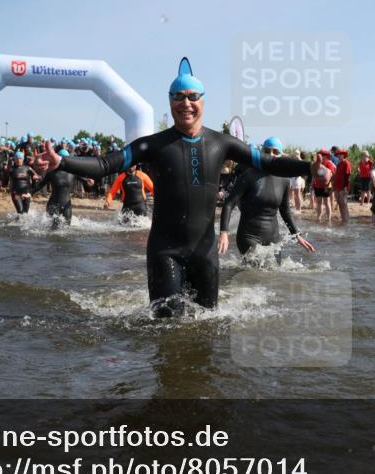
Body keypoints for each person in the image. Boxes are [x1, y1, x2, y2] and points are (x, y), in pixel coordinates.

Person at [32, 57, 318, 317]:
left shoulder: (222, 143)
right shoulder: (152, 145)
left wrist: (309, 168)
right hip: (164, 252)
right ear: (170, 102)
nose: (186, 103)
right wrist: (62, 162)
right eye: (178, 97)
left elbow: (268, 163)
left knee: (207, 326)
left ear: (203, 101)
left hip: (205, 252)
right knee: (167, 329)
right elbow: (107, 165)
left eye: (193, 97)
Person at [218, 137, 316, 262]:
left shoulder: (284, 180)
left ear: (281, 155)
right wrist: (224, 232)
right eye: (267, 151)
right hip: (249, 236)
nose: (271, 155)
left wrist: (296, 235)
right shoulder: (248, 175)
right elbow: (229, 204)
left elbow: (285, 211)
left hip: (273, 239)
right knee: (255, 273)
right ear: (261, 152)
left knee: (274, 274)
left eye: (275, 152)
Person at [32, 148, 78, 229]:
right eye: (64, 159)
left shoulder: (73, 172)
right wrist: (29, 192)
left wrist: (89, 181)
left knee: (67, 229)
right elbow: (40, 184)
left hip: (67, 204)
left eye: (67, 159)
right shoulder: (52, 172)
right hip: (53, 204)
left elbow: (86, 179)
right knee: (54, 228)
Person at [311, 148, 335, 223]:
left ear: (325, 156)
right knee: (318, 202)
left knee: (327, 202)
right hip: (317, 185)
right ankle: (318, 217)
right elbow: (314, 174)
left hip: (326, 186)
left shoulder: (329, 163)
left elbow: (331, 174)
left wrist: (327, 185)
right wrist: (312, 183)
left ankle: (329, 219)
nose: (320, 156)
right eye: (319, 155)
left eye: (322, 155)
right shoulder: (316, 163)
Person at [333, 149, 352, 224]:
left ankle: (346, 220)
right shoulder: (339, 164)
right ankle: (343, 219)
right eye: (338, 154)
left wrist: (345, 187)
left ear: (343, 155)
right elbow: (337, 176)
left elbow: (348, 176)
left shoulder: (346, 163)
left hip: (343, 187)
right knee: (340, 203)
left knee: (343, 204)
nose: (339, 156)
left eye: (340, 154)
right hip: (337, 186)